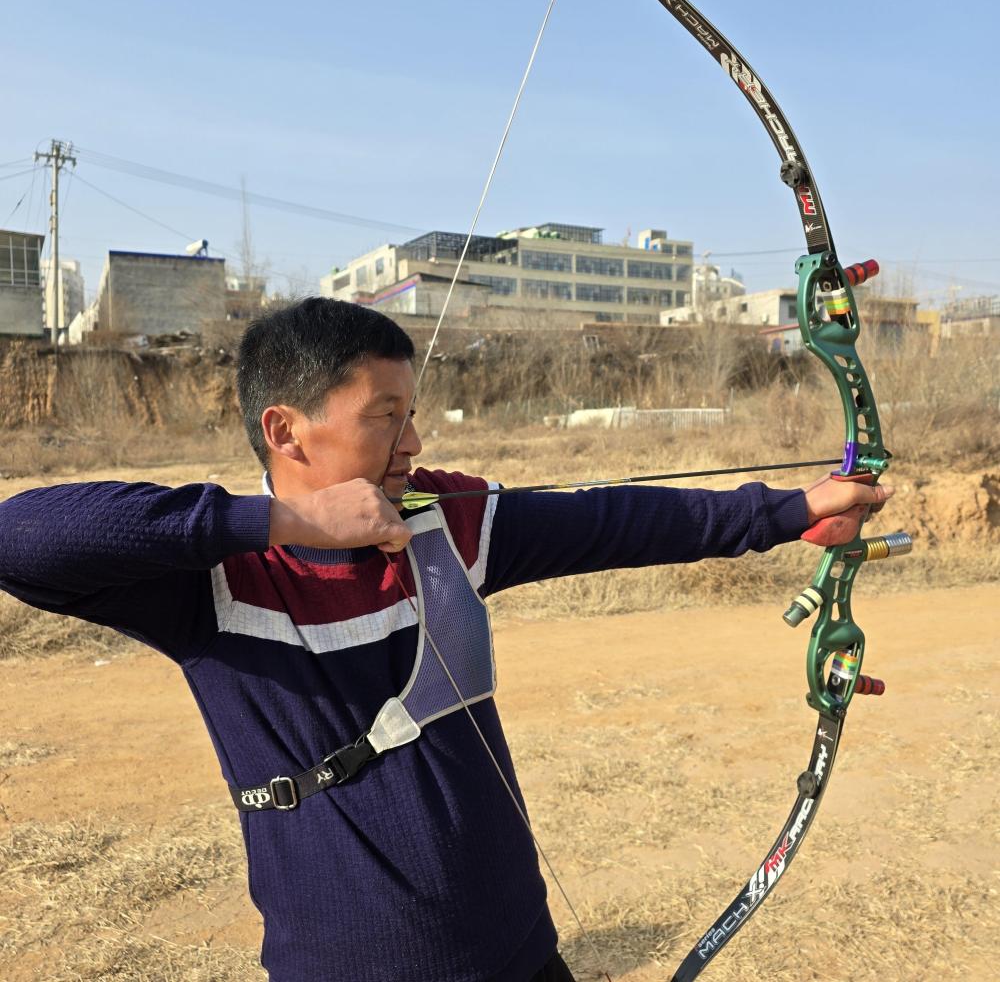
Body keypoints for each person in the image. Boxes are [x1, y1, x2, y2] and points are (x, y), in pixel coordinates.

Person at [0, 298, 892, 982]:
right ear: (285, 430)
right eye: (384, 415)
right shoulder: (214, 578)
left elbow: (612, 519)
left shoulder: (443, 521)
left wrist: (786, 512)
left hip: (518, 948)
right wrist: (279, 519)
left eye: (411, 411)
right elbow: (22, 539)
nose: (412, 439)